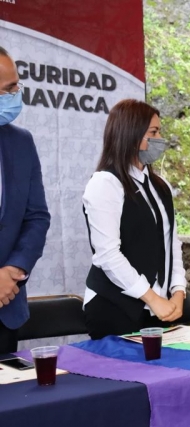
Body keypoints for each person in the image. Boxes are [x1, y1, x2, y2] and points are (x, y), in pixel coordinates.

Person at [82, 99, 187, 339]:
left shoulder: (161, 186)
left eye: (160, 130)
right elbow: (108, 255)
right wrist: (152, 298)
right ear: (130, 134)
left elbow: (172, 243)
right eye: (153, 132)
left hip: (159, 308)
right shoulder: (105, 183)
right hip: (115, 308)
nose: (160, 138)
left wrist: (178, 292)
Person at [0, 47, 50, 353]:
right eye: (8, 89)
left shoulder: (21, 142)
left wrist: (11, 272)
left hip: (7, 309)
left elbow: (37, 217)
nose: (17, 94)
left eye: (17, 85)